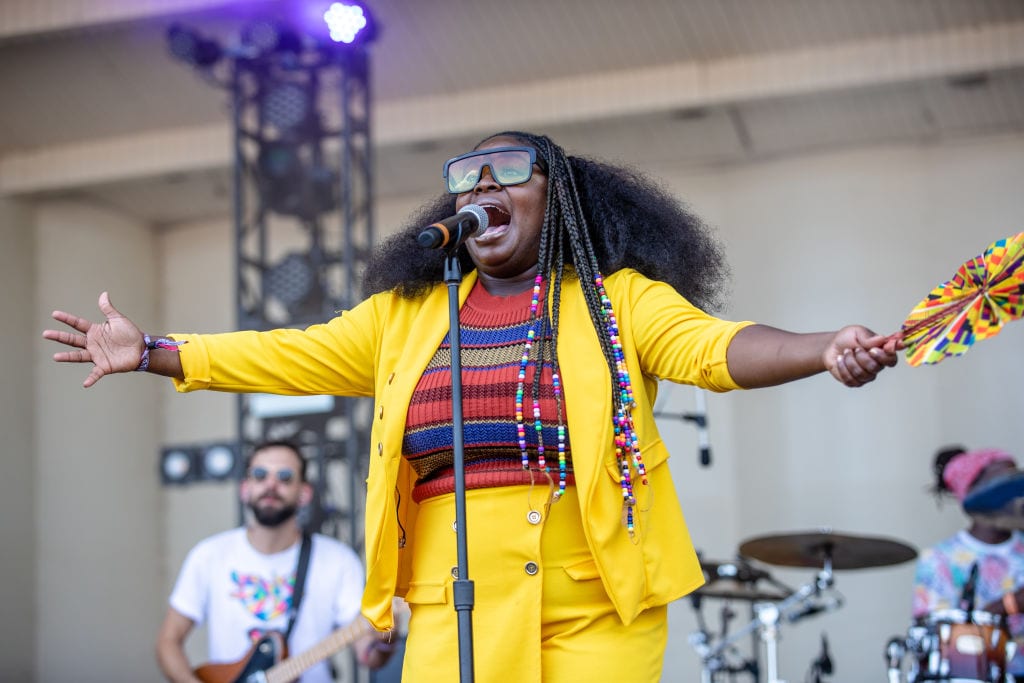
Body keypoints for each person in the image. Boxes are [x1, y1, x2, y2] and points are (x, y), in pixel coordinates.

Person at [45, 131, 900, 681]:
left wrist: (821, 348)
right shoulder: (405, 318)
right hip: (448, 606)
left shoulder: (616, 301)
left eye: (507, 175)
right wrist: (154, 351)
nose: (481, 191)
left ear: (556, 196)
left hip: (593, 609)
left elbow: (713, 347)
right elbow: (285, 353)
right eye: (466, 182)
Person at [154, 441, 394, 683]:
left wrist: (383, 642)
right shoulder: (208, 555)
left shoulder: (338, 561)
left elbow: (368, 656)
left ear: (304, 493)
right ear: (245, 488)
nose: (271, 484)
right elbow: (168, 641)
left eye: (285, 477)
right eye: (260, 475)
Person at [912, 446, 1024, 676]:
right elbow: (939, 643)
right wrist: (1010, 605)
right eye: (1003, 485)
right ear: (973, 493)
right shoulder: (940, 560)